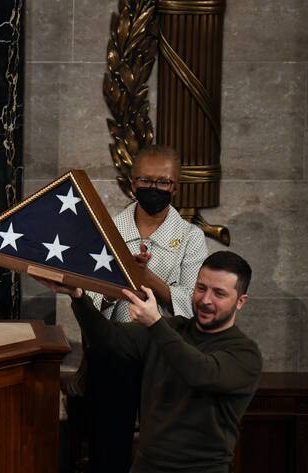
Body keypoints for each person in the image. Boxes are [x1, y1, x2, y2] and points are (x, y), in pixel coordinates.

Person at [40, 251, 262, 473]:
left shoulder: (245, 353)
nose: (205, 300)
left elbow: (201, 374)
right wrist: (78, 296)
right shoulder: (172, 329)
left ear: (240, 302)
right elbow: (107, 339)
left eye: (219, 294)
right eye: (201, 288)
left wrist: (155, 323)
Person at [74, 145, 209, 472]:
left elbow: (194, 305)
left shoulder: (191, 237)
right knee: (108, 444)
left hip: (168, 352)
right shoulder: (107, 231)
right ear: (132, 184)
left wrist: (145, 278)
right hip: (114, 349)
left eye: (163, 182)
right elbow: (89, 301)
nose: (154, 188)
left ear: (175, 186)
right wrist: (119, 283)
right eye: (145, 181)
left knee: (163, 443)